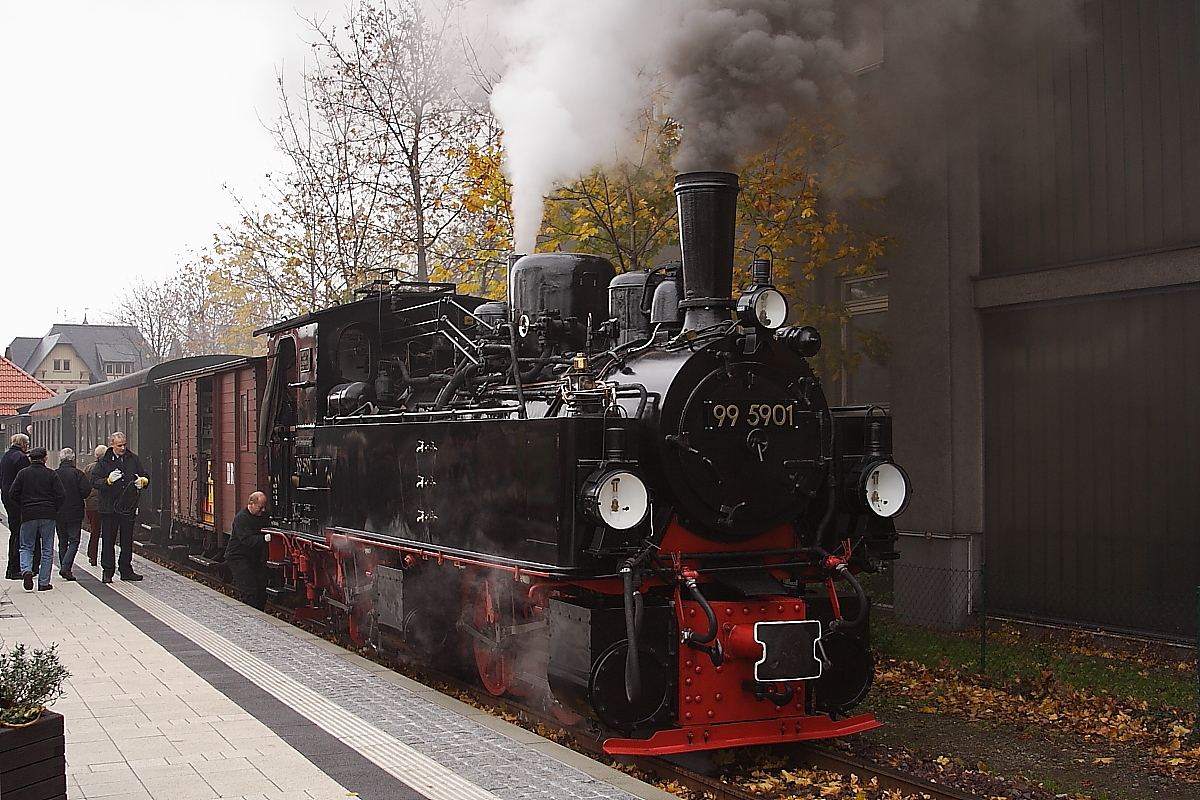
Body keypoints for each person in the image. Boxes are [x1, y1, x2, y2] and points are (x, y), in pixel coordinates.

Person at [91, 432, 147, 583]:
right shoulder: (104, 462)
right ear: (112, 445)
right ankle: (108, 571)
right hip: (109, 507)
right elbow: (95, 481)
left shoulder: (132, 459)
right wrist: (108, 481)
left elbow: (144, 474)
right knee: (108, 539)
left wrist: (143, 481)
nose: (123, 448)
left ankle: (126, 570)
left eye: (124, 445)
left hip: (127, 506)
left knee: (127, 539)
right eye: (119, 445)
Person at [11, 447, 65, 591]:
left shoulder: (23, 474)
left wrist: (22, 505)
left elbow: (12, 493)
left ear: (30, 459)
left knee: (26, 546)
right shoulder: (51, 474)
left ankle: (26, 570)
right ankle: (43, 582)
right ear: (45, 458)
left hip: (28, 514)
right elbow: (61, 494)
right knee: (47, 549)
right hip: (48, 515)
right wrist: (54, 508)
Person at [225, 491, 269, 610]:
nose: (263, 510)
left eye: (264, 507)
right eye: (260, 507)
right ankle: (251, 616)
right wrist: (264, 539)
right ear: (251, 504)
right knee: (250, 590)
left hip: (252, 557)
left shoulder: (261, 516)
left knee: (261, 589)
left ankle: (259, 612)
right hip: (237, 557)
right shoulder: (241, 518)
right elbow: (247, 540)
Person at [54, 448, 91, 581]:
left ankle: (64, 566)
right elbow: (86, 490)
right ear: (72, 459)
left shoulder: (55, 473)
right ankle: (66, 567)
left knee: (62, 540)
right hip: (75, 512)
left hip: (58, 512)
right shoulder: (77, 474)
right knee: (74, 540)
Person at [2, 433, 32, 580]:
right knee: (18, 533)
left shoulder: (7, 456)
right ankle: (15, 568)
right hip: (16, 499)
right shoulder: (20, 458)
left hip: (7, 496)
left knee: (15, 531)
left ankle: (12, 568)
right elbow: (26, 478)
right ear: (24, 444)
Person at [82, 445, 106, 566]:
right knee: (107, 532)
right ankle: (104, 558)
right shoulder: (108, 467)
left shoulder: (88, 468)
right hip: (105, 503)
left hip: (91, 504)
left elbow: (84, 485)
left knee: (94, 531)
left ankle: (92, 556)